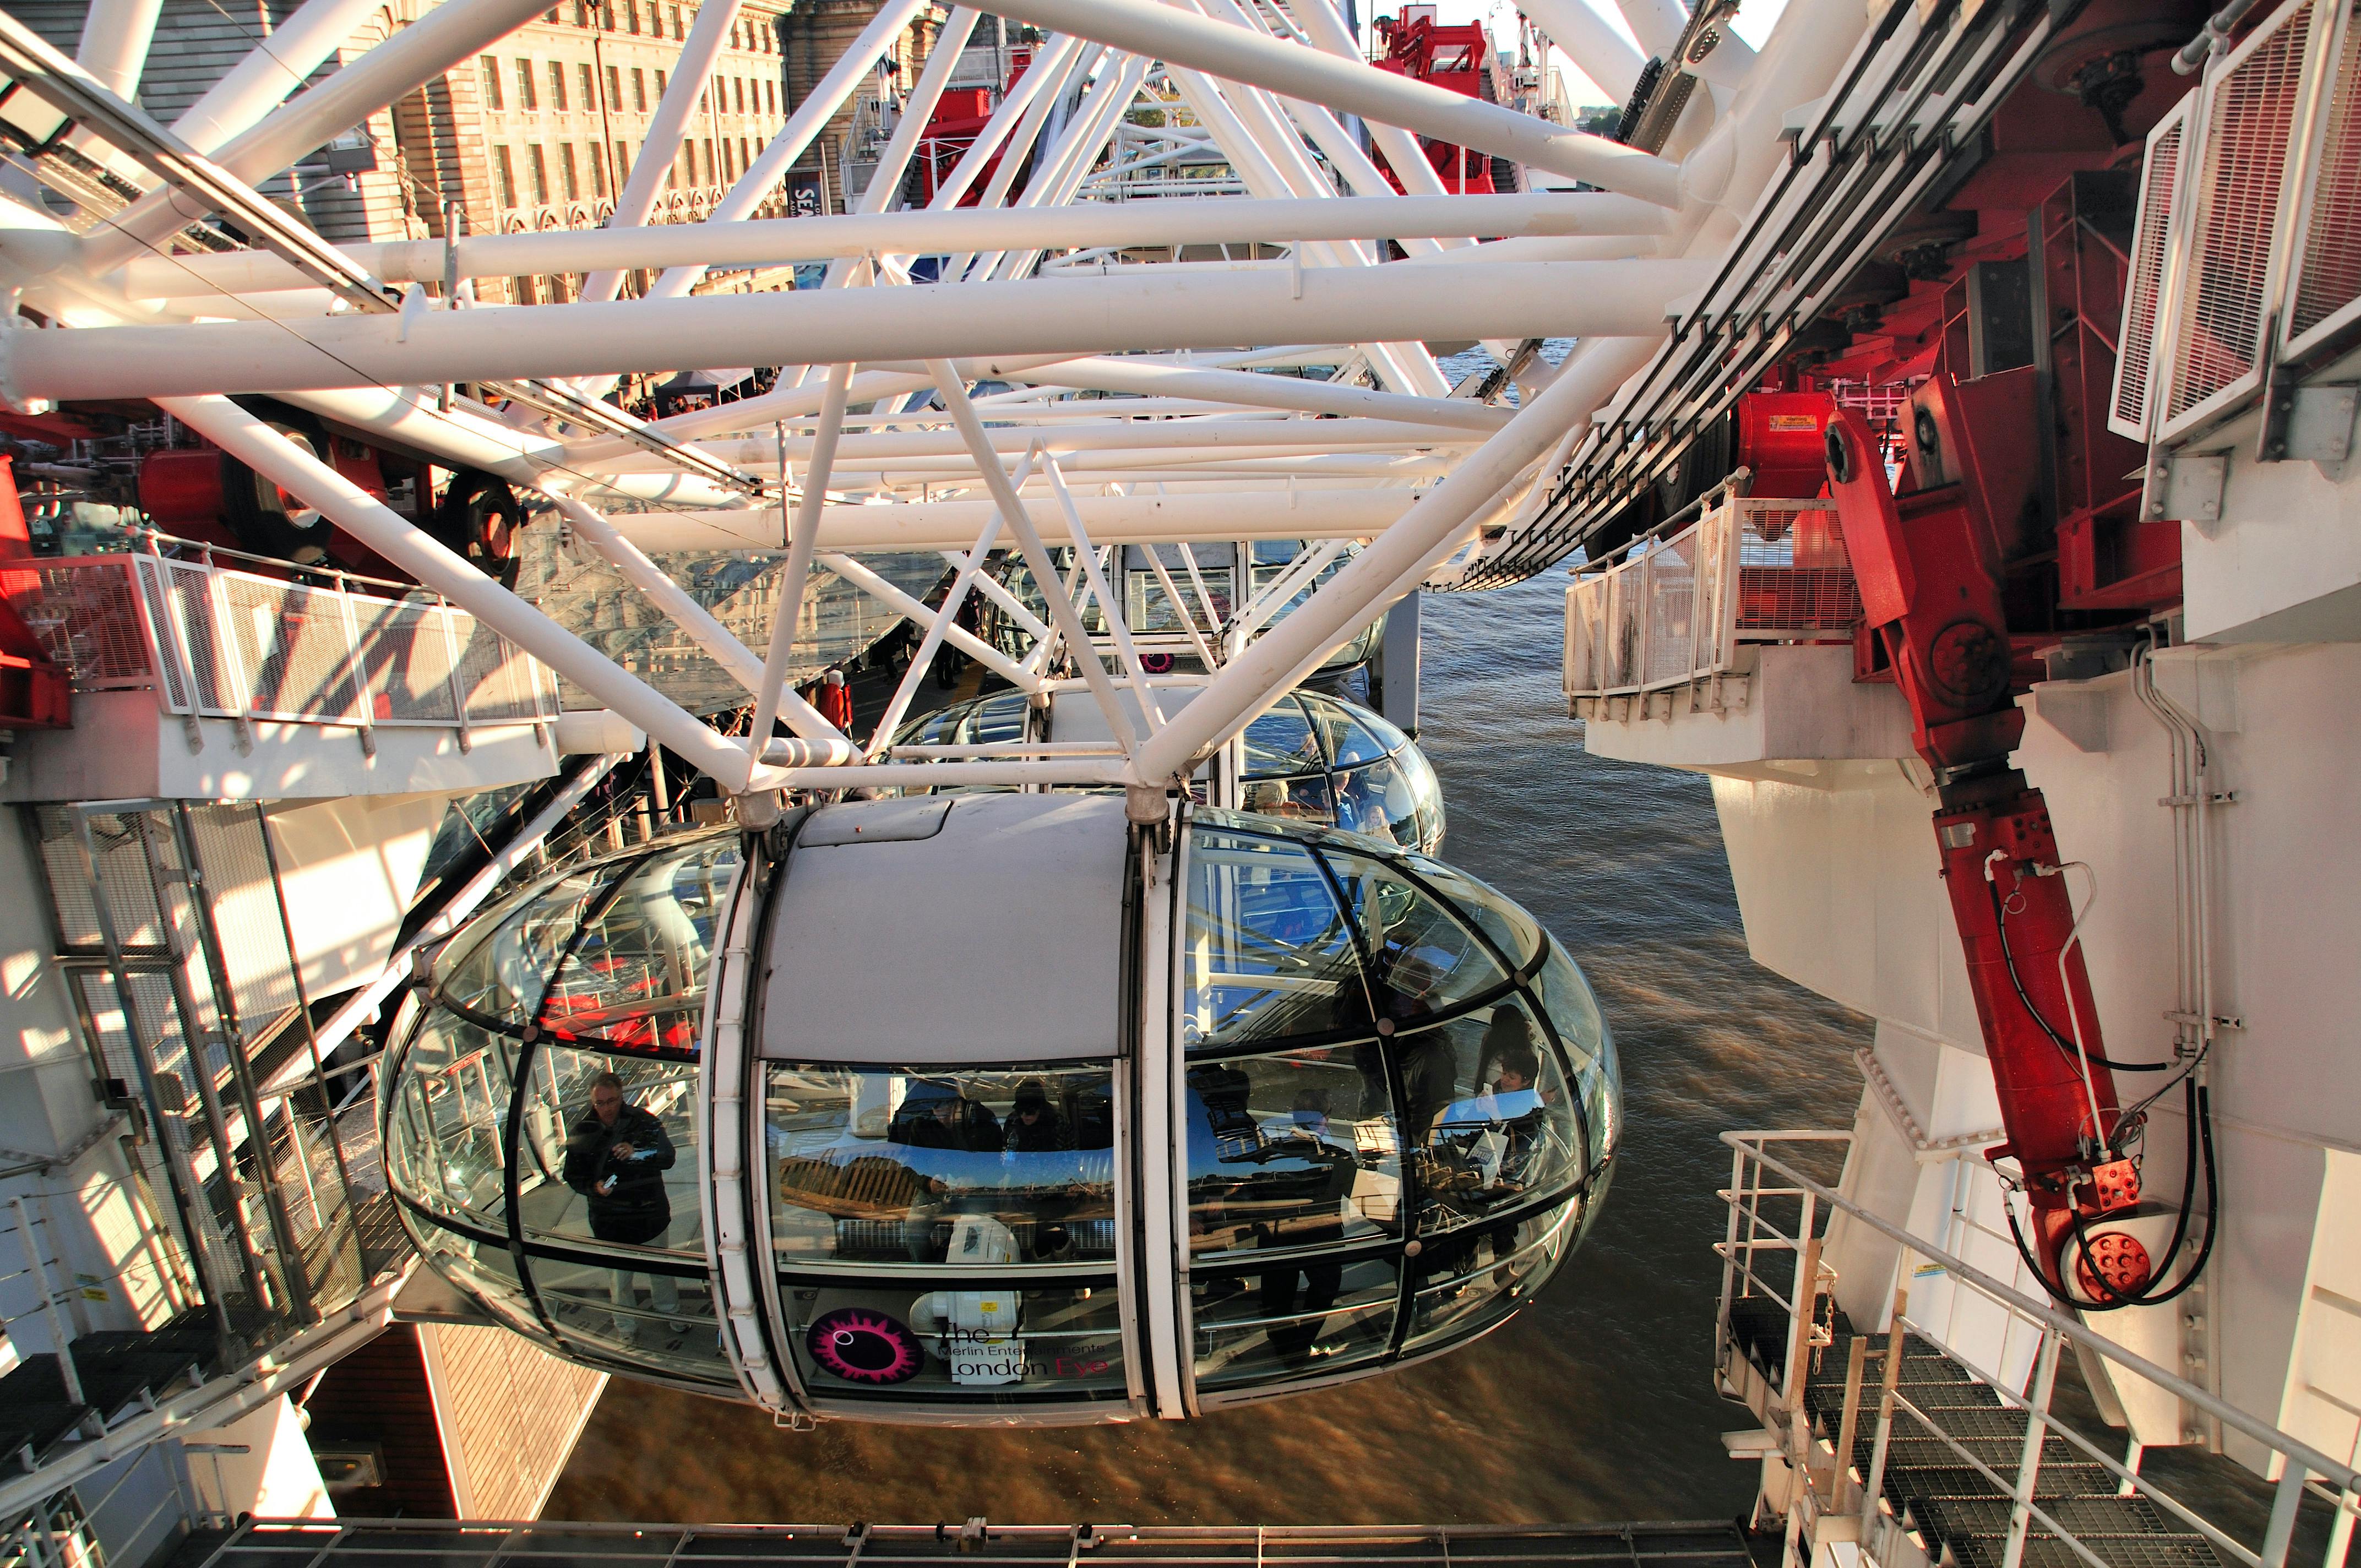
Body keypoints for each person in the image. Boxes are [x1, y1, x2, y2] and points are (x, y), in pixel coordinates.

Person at [562, 1071, 681, 1342]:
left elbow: (668, 1157)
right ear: (593, 1103)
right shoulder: (585, 1131)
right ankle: (628, 1326)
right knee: (620, 1280)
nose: (606, 1108)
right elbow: (573, 1175)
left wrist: (636, 1151)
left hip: (643, 1216)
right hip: (618, 1220)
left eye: (611, 1101)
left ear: (621, 1097)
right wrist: (595, 1188)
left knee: (660, 1273)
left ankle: (670, 1315)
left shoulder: (644, 1122)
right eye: (600, 1103)